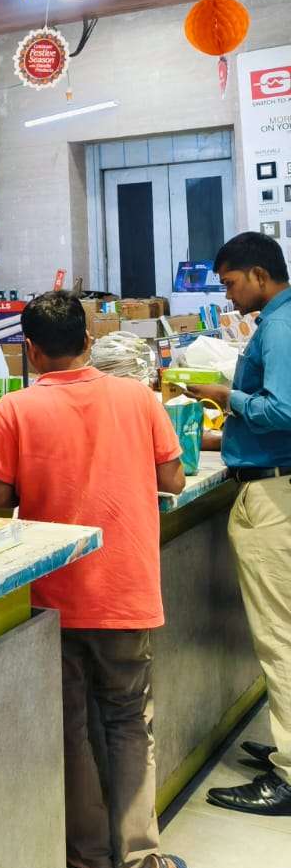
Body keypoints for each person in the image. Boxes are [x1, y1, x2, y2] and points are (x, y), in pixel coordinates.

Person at [0, 292, 187, 868]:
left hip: (55, 594)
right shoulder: (139, 398)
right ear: (89, 342)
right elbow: (172, 477)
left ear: (30, 349)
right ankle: (140, 860)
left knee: (71, 726)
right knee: (128, 719)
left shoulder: (14, 409)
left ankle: (89, 860)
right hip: (126, 588)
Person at [177, 232, 291, 816]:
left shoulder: (280, 326)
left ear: (258, 274)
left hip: (273, 495)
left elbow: (285, 409)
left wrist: (228, 396)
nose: (227, 294)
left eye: (229, 283)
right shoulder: (278, 322)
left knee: (280, 637)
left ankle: (289, 775)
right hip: (274, 481)